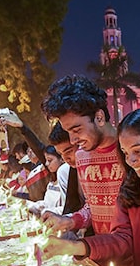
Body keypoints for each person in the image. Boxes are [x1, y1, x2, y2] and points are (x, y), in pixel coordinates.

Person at [38, 108, 140, 266]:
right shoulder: (131, 187)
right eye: (125, 153)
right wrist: (75, 244)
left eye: (138, 151)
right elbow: (119, 235)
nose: (131, 160)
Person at [40, 75, 123, 235]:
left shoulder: (130, 152)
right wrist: (70, 221)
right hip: (101, 252)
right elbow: (92, 207)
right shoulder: (82, 157)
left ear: (99, 117)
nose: (73, 140)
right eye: (68, 132)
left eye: (77, 130)